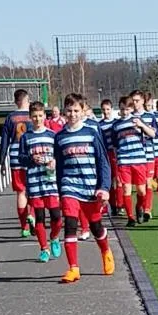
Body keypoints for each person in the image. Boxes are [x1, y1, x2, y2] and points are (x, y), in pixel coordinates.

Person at [54, 95, 116, 282]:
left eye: (76, 111)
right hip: (69, 186)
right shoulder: (60, 137)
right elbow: (60, 168)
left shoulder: (91, 132)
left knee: (96, 227)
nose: (72, 114)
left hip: (90, 188)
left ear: (83, 112)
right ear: (64, 112)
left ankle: (105, 250)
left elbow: (103, 162)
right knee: (70, 224)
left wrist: (104, 187)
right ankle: (73, 268)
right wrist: (60, 191)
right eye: (69, 110)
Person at [21, 97, 65, 261]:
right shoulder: (26, 137)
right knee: (39, 217)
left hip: (50, 180)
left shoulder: (53, 135)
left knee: (56, 217)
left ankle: (54, 237)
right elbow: (21, 158)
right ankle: (44, 248)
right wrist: (31, 159)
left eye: (40, 116)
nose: (37, 119)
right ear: (30, 117)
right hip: (35, 182)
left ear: (45, 116)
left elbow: (60, 156)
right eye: (34, 116)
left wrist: (55, 162)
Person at [111, 93, 156, 227]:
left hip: (139, 160)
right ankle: (130, 217)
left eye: (127, 109)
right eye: (122, 109)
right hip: (124, 161)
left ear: (131, 109)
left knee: (142, 190)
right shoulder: (116, 125)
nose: (125, 112)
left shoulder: (137, 120)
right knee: (127, 189)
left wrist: (142, 125)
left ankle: (139, 207)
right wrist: (117, 159)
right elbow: (115, 145)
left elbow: (153, 134)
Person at [0, 88, 34, 237]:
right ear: (27, 100)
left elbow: (4, 140)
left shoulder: (10, 117)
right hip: (31, 156)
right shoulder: (33, 116)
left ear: (15, 101)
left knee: (21, 192)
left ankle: (24, 227)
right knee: (33, 190)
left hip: (15, 156)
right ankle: (32, 214)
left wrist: (2, 161)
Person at [136, 90, 158, 220]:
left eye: (150, 105)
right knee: (148, 182)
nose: (149, 108)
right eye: (147, 105)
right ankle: (147, 209)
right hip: (147, 154)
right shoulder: (140, 117)